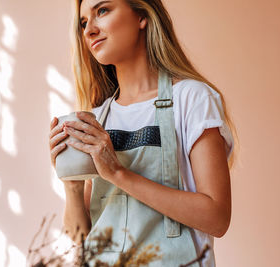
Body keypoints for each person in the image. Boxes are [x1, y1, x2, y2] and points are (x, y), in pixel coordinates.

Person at [49, 0, 238, 266]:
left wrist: (118, 173)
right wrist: (71, 184)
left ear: (142, 16)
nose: (89, 30)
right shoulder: (97, 117)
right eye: (83, 23)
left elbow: (217, 218)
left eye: (102, 11)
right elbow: (80, 240)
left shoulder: (192, 98)